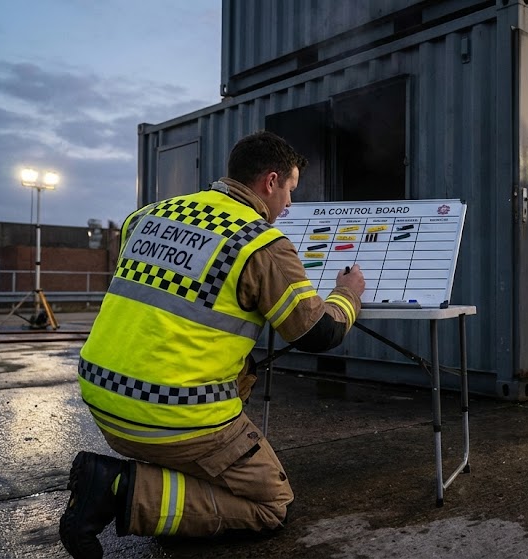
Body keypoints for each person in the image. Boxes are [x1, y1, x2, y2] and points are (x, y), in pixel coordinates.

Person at [59, 131, 366, 558]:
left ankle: (136, 478)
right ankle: (116, 488)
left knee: (240, 374)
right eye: (291, 191)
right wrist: (347, 294)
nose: (290, 205)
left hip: (102, 397)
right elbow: (316, 334)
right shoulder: (261, 244)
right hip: (172, 413)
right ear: (270, 182)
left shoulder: (145, 217)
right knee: (270, 505)